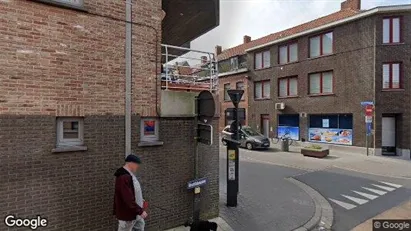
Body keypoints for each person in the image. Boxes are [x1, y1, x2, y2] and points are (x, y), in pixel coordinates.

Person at [113, 154, 148, 231]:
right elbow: (127, 199)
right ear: (131, 163)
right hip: (128, 215)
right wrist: (140, 211)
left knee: (140, 227)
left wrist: (140, 199)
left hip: (136, 213)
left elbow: (133, 191)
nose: (137, 166)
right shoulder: (123, 177)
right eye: (136, 164)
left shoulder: (130, 174)